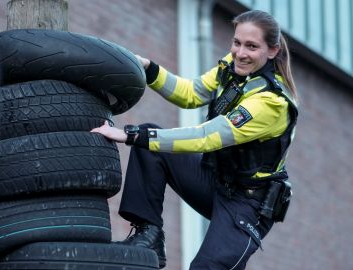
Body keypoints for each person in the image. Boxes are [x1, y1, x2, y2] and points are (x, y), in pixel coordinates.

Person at [91, 10, 298, 270]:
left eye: (252, 46)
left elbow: (206, 137)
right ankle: (149, 238)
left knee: (206, 267)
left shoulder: (271, 103)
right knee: (152, 146)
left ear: (272, 51)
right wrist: (148, 68)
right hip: (215, 182)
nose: (241, 53)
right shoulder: (231, 68)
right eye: (237, 43)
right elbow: (190, 94)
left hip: (248, 205)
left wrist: (132, 136)